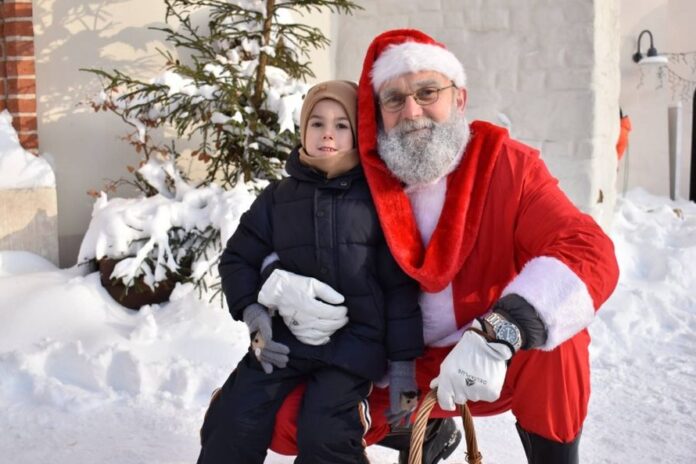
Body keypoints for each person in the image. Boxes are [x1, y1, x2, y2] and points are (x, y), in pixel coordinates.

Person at [261, 29, 620, 464]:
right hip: (396, 365)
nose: (412, 112)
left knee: (559, 344)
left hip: (494, 358)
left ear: (460, 99)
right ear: (379, 114)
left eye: (427, 91)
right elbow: (282, 231)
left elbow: (587, 249)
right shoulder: (357, 178)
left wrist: (501, 332)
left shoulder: (509, 166)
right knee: (276, 415)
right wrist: (274, 277)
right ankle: (424, 432)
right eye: (394, 99)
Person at [197, 80, 424, 464]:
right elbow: (238, 259)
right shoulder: (277, 198)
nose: (327, 135)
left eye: (341, 125)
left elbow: (399, 288)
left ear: (358, 133)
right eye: (317, 123)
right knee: (231, 417)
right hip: (285, 339)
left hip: (354, 347)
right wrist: (254, 315)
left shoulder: (379, 201)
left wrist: (403, 367)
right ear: (303, 131)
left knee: (325, 432)